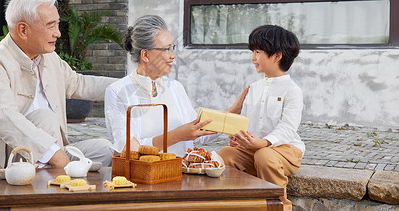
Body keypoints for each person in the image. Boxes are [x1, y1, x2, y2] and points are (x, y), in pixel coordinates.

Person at [0, 0, 116, 211]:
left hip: (52, 158)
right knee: (44, 118)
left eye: (58, 24)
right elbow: (4, 117)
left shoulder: (49, 58)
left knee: (106, 149)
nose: (58, 33)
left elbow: (78, 83)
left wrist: (127, 86)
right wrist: (52, 152)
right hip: (9, 165)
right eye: (51, 25)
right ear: (23, 29)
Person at [105, 15, 217, 156]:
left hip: (182, 172)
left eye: (172, 48)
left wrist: (233, 113)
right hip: (145, 175)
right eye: (167, 49)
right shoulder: (117, 92)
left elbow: (198, 131)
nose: (173, 55)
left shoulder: (176, 87)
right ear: (145, 55)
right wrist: (176, 135)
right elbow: (128, 150)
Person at [219, 25, 304, 198]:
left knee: (265, 156)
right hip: (255, 151)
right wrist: (239, 138)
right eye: (253, 52)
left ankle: (278, 205)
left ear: (277, 56)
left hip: (285, 150)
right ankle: (239, 203)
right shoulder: (253, 88)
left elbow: (288, 127)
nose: (253, 58)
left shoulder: (292, 90)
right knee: (225, 153)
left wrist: (264, 143)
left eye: (258, 52)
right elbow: (245, 120)